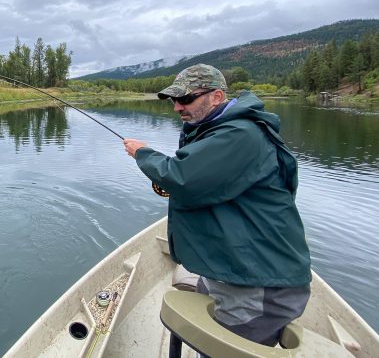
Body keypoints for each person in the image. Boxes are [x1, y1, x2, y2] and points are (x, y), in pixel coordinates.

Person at [123, 64, 311, 349]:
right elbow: (199, 180)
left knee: (224, 351)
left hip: (257, 281)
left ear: (217, 96)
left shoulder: (239, 135)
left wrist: (143, 153)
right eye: (174, 100)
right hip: (231, 267)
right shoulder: (218, 130)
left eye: (186, 99)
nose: (177, 107)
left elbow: (183, 178)